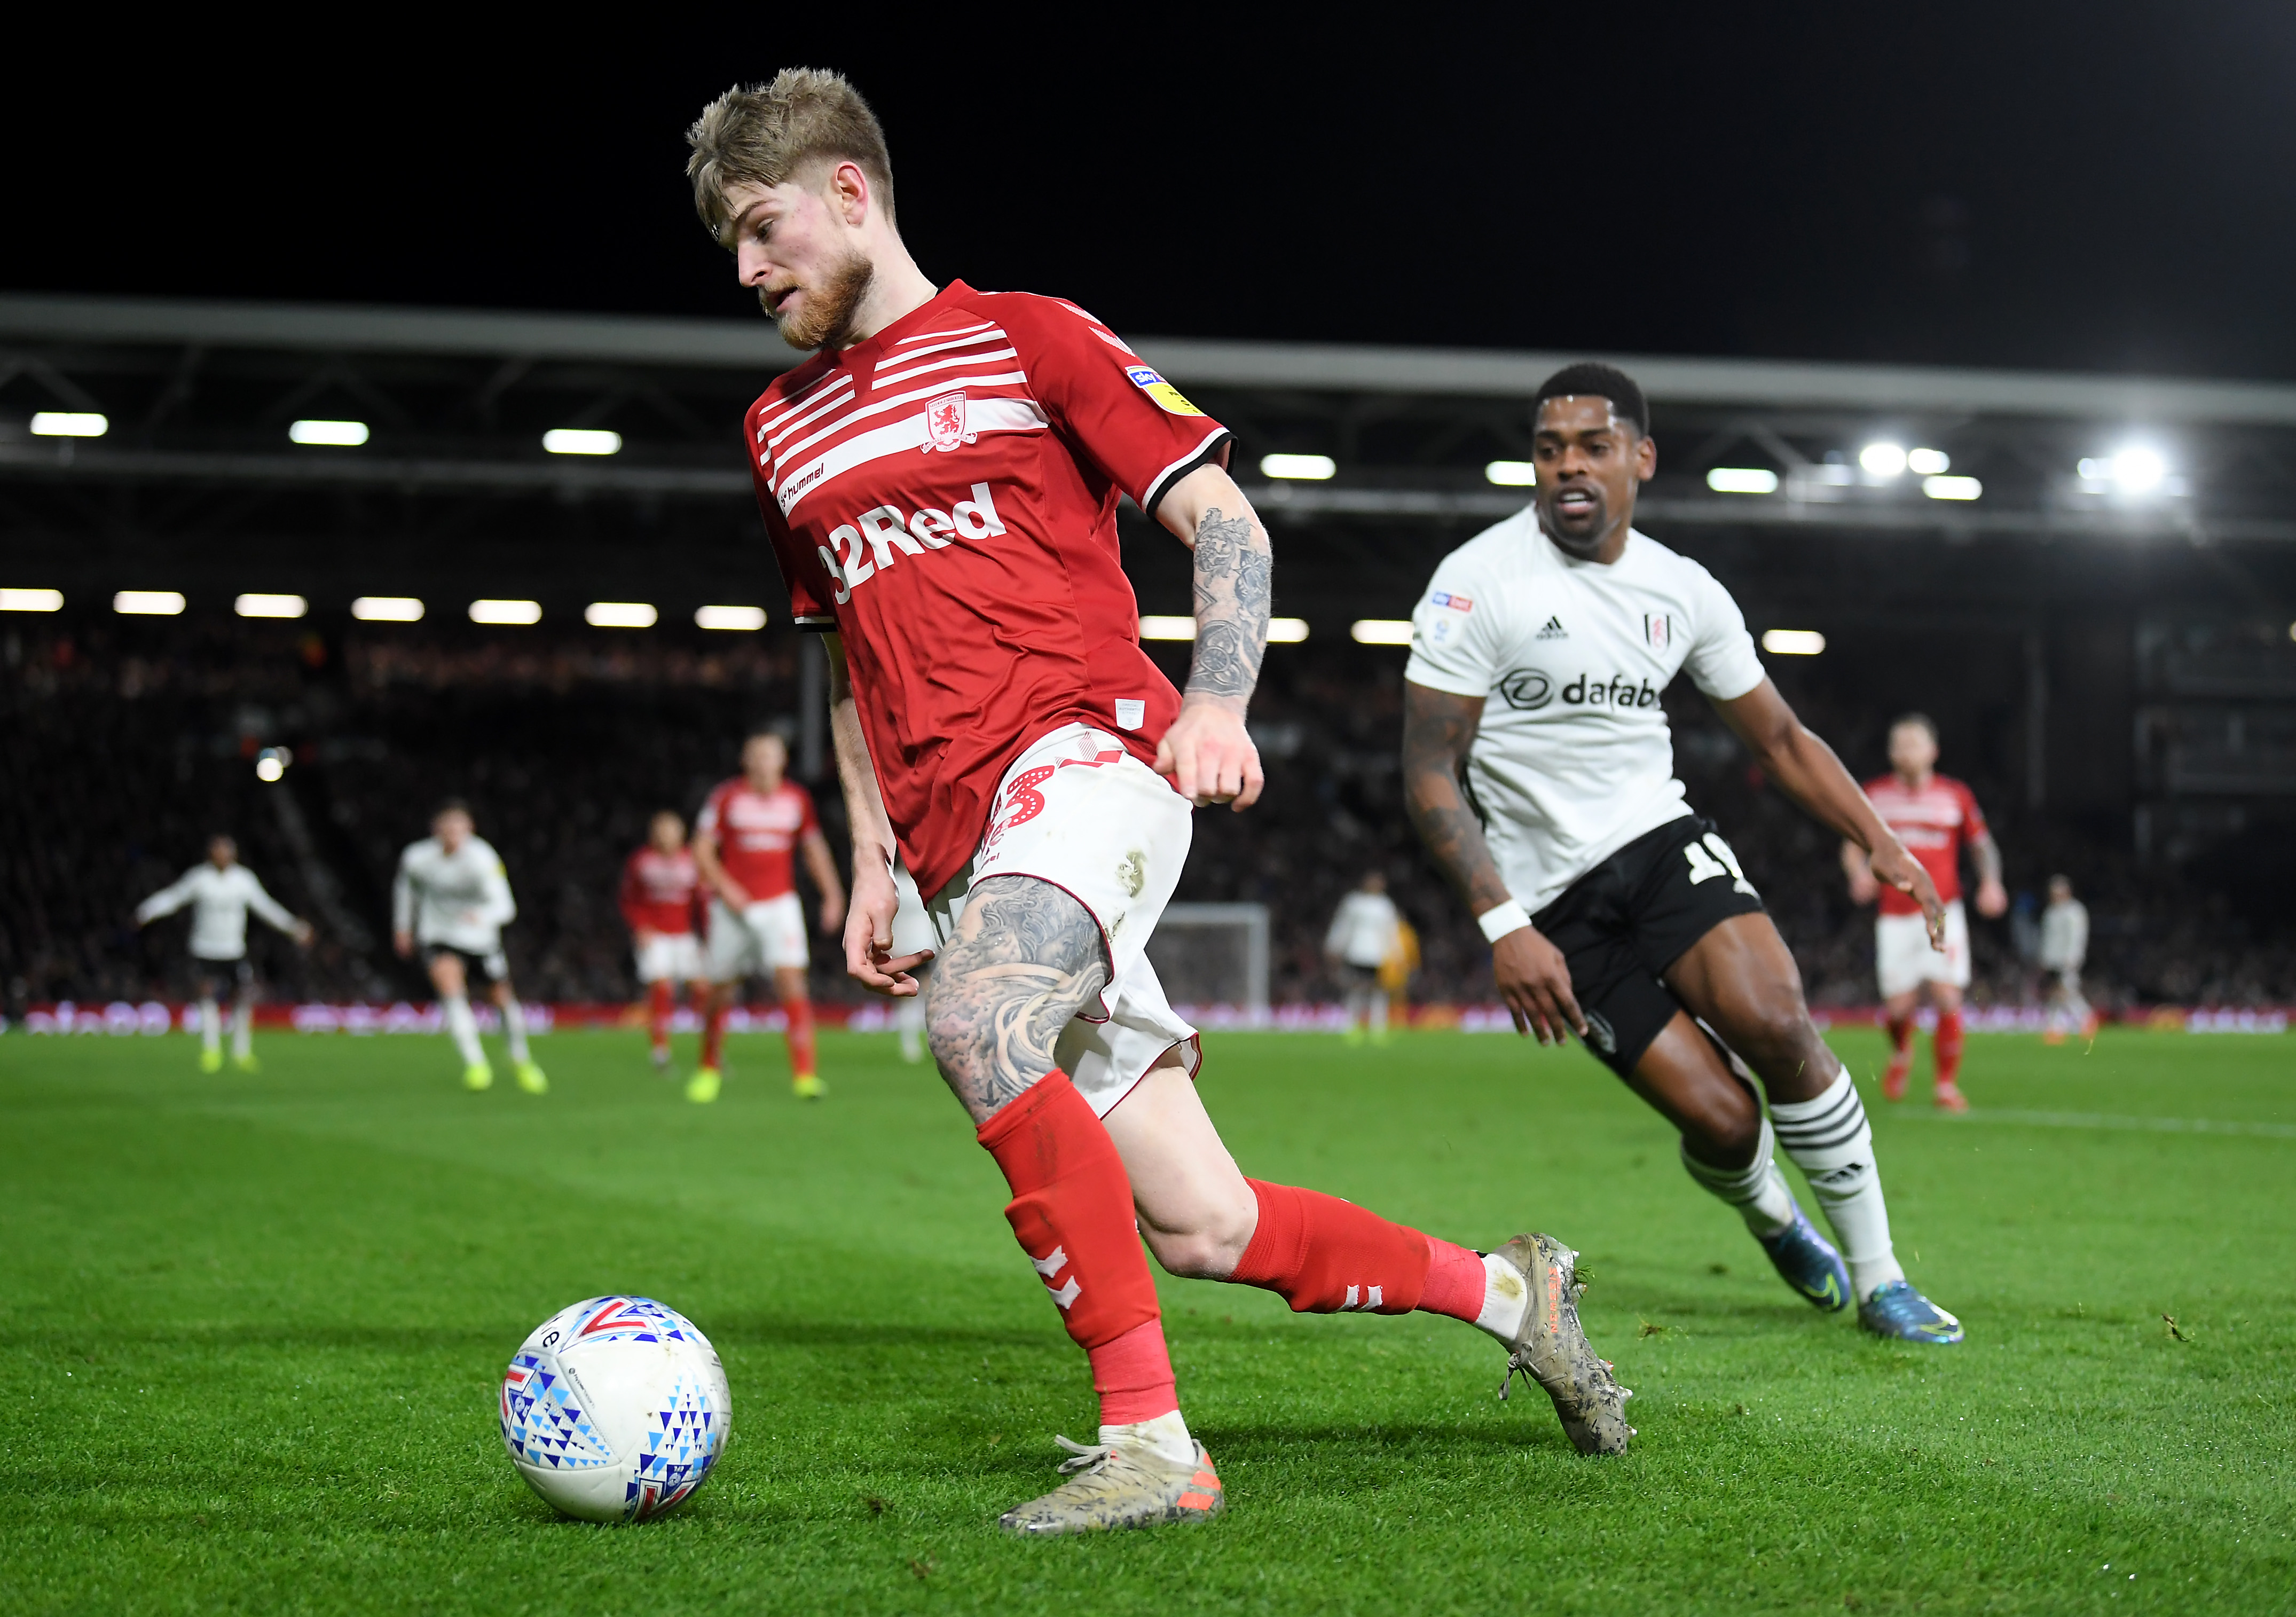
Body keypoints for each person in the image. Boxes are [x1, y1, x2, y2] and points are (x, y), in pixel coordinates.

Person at [686, 69, 1632, 1536]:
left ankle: (1152, 1444)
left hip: (1086, 764)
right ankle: (1516, 1292)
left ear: (850, 192)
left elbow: (1222, 519)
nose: (747, 271)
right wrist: (871, 857)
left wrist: (1214, 698)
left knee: (976, 1021)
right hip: (955, 843)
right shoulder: (778, 432)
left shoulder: (1027, 337)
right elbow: (840, 653)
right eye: (730, 248)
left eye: (762, 228)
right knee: (1204, 1221)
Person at [1398, 362, 1964, 1348]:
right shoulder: (1476, 581)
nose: (1568, 466)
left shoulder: (1683, 589)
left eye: (1593, 446)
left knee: (1779, 1021)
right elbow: (1428, 769)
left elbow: (1780, 739)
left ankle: (1881, 1278)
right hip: (1551, 907)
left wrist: (1876, 837)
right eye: (1549, 449)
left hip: (1657, 843)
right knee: (1725, 1121)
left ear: (1641, 459)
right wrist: (1506, 925)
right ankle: (1773, 1217)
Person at [1842, 714, 2007, 1110]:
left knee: (1948, 996)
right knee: (1898, 1008)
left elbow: (1981, 845)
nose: (1906, 751)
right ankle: (1901, 1052)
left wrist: (1991, 882)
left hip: (1941, 908)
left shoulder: (1955, 796)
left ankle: (1945, 1086)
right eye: (1898, 744)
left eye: (1914, 743)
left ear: (1933, 750)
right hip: (1895, 913)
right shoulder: (1875, 795)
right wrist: (1857, 873)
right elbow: (1852, 843)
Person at [690, 731, 846, 1104]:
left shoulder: (796, 799)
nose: (763, 762)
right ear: (746, 761)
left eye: (769, 755)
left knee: (792, 982)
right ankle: (709, 1068)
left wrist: (833, 894)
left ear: (782, 761)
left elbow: (813, 849)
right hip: (732, 909)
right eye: (756, 755)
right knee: (721, 990)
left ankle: (805, 1075)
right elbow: (701, 849)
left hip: (779, 905)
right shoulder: (726, 797)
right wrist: (725, 887)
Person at [392, 801, 545, 1095]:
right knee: (450, 988)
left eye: (458, 828)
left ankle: (520, 1058)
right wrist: (402, 928)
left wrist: (482, 917)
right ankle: (476, 1064)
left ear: (469, 829)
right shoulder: (417, 858)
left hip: (480, 938)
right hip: (438, 933)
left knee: (501, 998)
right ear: (435, 830)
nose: (452, 834)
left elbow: (505, 906)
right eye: (446, 828)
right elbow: (404, 890)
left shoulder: (482, 858)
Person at [136, 834, 312, 1072]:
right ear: (211, 854)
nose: (223, 856)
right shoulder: (199, 878)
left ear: (233, 854)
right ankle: (211, 1050)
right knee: (207, 998)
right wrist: (147, 910)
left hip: (234, 950)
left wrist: (295, 928)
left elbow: (266, 907)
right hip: (204, 949)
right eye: (218, 851)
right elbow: (174, 897)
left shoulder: (244, 880)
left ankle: (242, 1052)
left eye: (227, 852)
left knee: (242, 999)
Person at [620, 811, 706, 1071]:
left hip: (684, 936)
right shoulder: (642, 862)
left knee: (703, 990)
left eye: (672, 832)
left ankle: (710, 1050)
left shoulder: (692, 860)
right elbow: (629, 899)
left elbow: (701, 901)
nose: (667, 838)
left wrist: (705, 934)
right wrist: (640, 928)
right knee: (660, 990)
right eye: (662, 833)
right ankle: (661, 1052)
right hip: (655, 937)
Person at [1324, 872, 1403, 1043]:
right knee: (1355, 989)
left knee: (1379, 991)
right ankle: (1352, 1026)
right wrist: (1334, 946)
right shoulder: (1354, 903)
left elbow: (1391, 931)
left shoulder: (1385, 905)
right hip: (1357, 952)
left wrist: (1397, 953)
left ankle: (1378, 1028)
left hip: (1378, 955)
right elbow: (1343, 926)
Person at [2038, 874, 2095, 1043]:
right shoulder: (2051, 912)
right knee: (2057, 995)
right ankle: (2056, 1028)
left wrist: (2074, 957)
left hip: (2067, 960)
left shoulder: (2075, 911)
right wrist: (2044, 959)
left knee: (2066, 992)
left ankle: (2086, 1019)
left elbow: (2078, 936)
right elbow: (2047, 938)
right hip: (2052, 960)